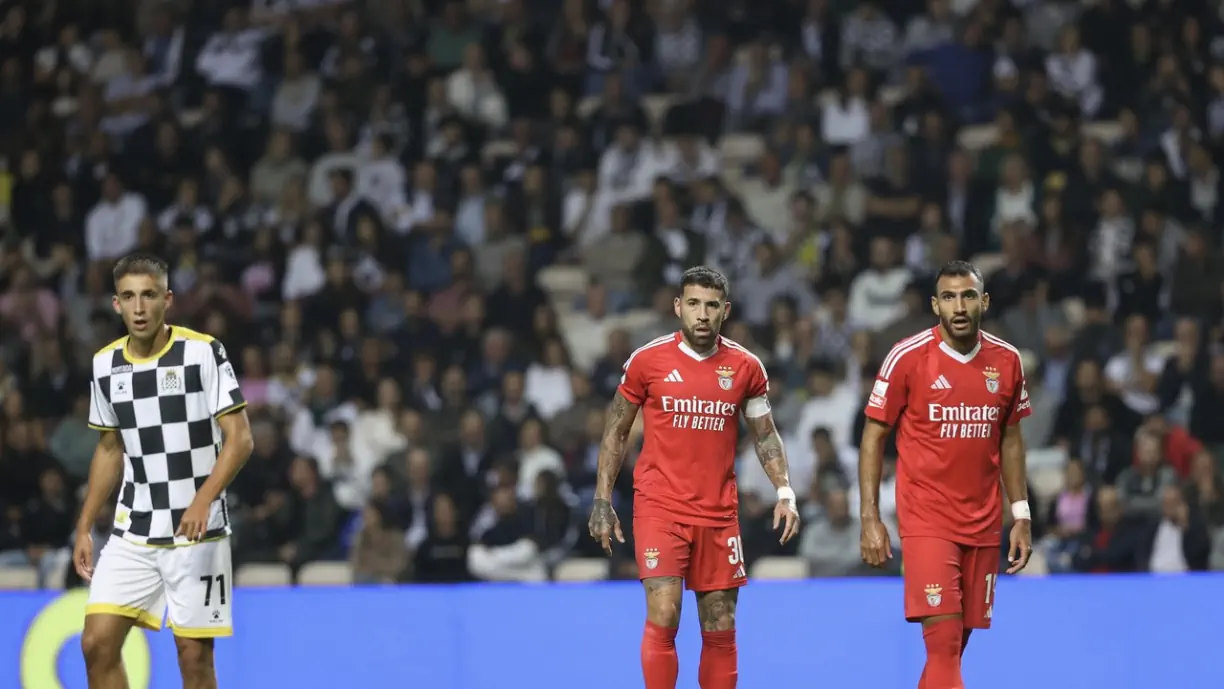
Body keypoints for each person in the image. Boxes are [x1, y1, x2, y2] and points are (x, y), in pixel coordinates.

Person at [587, 266, 801, 689]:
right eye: (693, 304)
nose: (701, 314)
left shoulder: (746, 367)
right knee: (665, 611)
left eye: (711, 305)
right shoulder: (647, 361)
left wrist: (785, 490)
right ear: (677, 307)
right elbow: (617, 429)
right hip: (659, 505)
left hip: (719, 512)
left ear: (726, 310)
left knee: (720, 622)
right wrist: (601, 498)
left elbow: (765, 435)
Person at [75, 254, 255, 689]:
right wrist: (84, 526)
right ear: (116, 304)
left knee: (194, 660)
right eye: (129, 297)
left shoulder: (202, 353)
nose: (139, 308)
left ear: (167, 300)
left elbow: (241, 440)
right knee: (96, 643)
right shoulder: (105, 365)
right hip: (133, 528)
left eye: (149, 295)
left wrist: (203, 499)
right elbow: (109, 447)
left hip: (197, 532)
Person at [858, 260, 1033, 689]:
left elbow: (1010, 439)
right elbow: (873, 436)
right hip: (927, 518)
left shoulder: (1007, 361)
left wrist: (1022, 513)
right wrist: (870, 517)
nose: (959, 306)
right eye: (950, 297)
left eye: (968, 296)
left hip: (984, 520)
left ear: (984, 302)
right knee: (944, 643)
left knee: (954, 646)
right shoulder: (907, 357)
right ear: (935, 305)